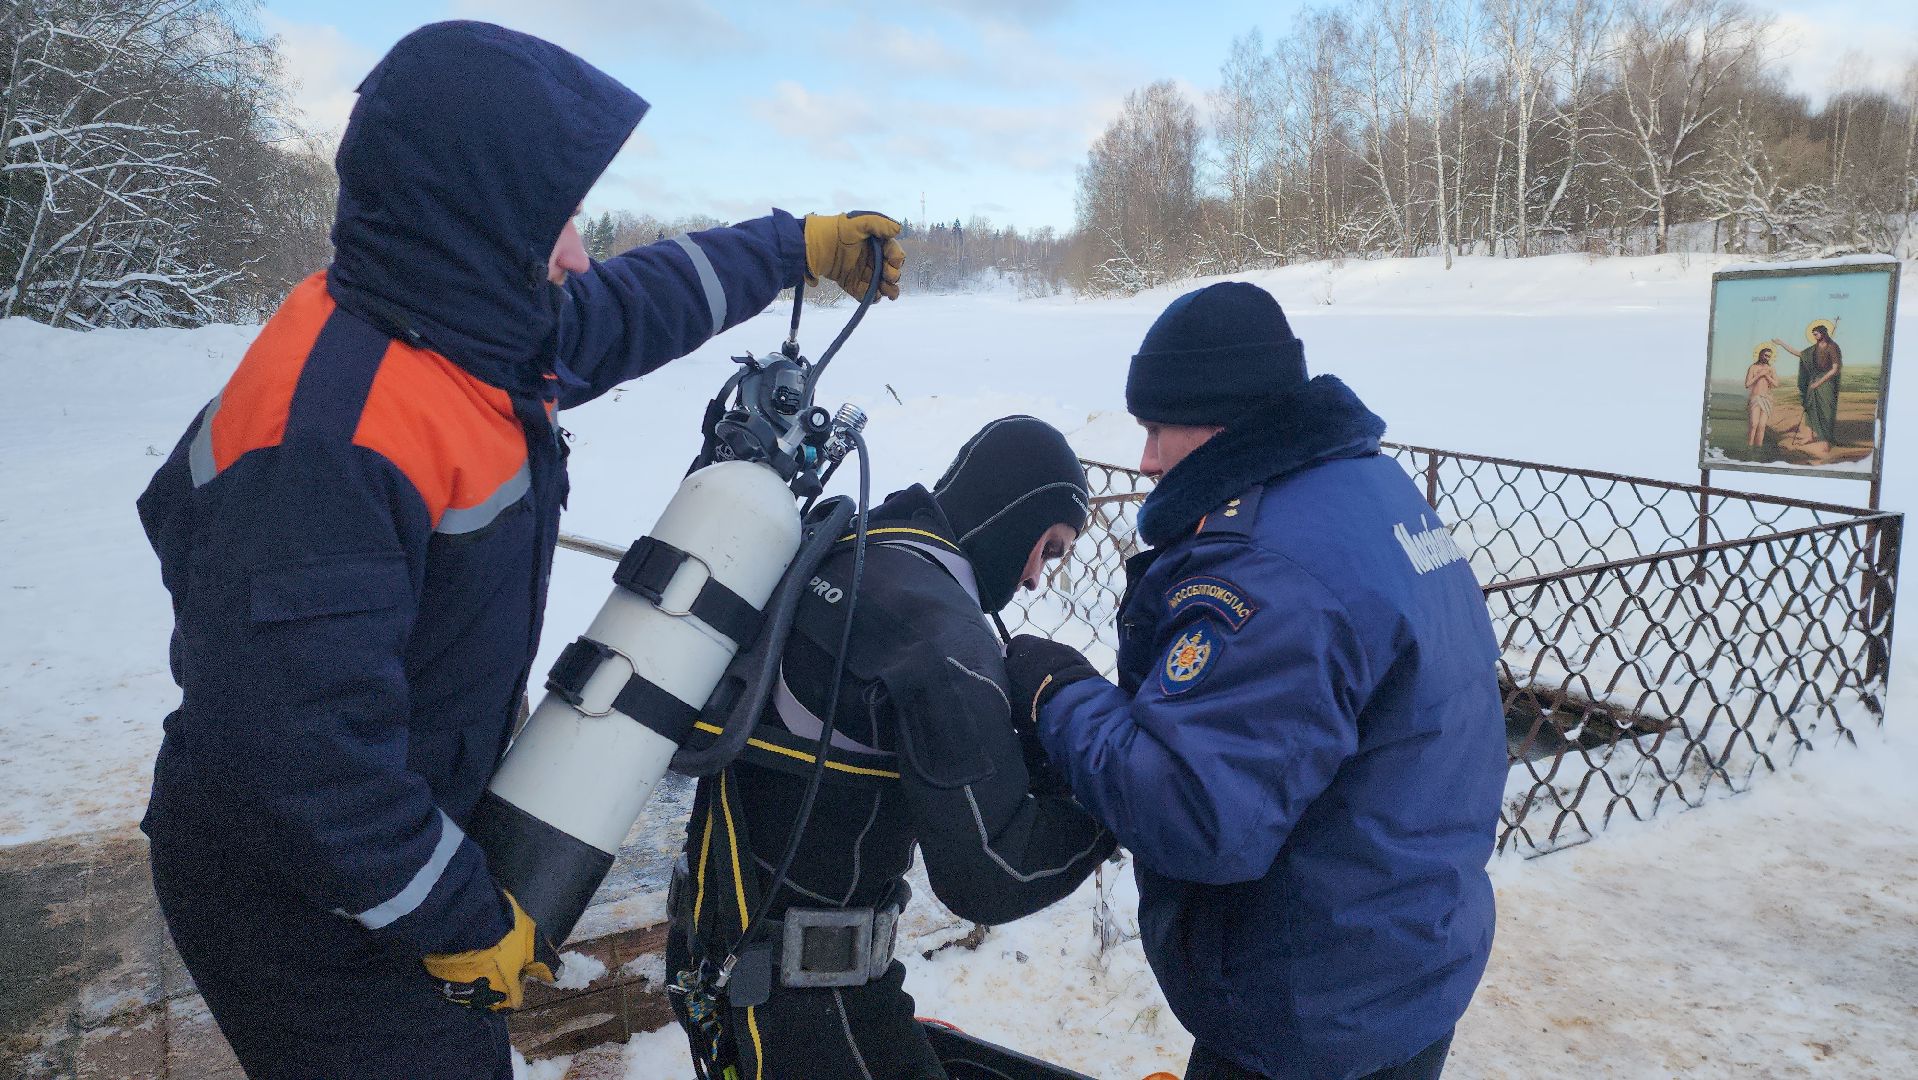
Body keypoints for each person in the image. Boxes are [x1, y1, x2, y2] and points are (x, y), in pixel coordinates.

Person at [134, 21, 905, 1080]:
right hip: (301, 892)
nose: (576, 252)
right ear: (472, 216)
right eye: (555, 222)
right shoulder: (328, 442)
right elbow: (299, 753)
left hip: (378, 835)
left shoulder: (450, 322)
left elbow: (627, 307)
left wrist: (790, 248)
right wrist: (450, 913)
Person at [1001, 282, 1507, 1080]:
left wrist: (1057, 693)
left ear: (1221, 418)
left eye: (1157, 429)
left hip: (1313, 1008)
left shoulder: (1268, 572)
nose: (1145, 459)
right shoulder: (1372, 489)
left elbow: (1197, 814)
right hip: (1407, 955)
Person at [667, 416, 1116, 1080]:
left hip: (721, 949)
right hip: (813, 1003)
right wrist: (1116, 802)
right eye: (1048, 548)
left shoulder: (849, 546)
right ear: (1015, 513)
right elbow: (993, 875)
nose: (1034, 581)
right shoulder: (941, 637)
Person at [1772, 321, 1842, 450]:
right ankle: (1809, 436)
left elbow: (1835, 369)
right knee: (1810, 408)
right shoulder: (1813, 349)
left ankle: (1826, 439)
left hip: (1827, 383)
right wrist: (1781, 344)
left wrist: (1819, 383)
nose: (1814, 337)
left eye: (1816, 334)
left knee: (1826, 410)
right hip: (1814, 381)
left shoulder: (1832, 347)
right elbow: (1799, 353)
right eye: (1813, 335)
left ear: (1823, 333)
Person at [1745, 347, 1778, 447]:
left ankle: (1758, 448)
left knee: (1762, 426)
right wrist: (1759, 375)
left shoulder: (1771, 369)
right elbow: (1747, 384)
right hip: (1755, 398)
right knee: (1754, 424)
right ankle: (1749, 447)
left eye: (1769, 356)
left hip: (1767, 399)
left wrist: (1767, 376)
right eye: (1765, 355)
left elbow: (1776, 384)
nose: (1767, 358)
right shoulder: (1753, 367)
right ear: (1760, 355)